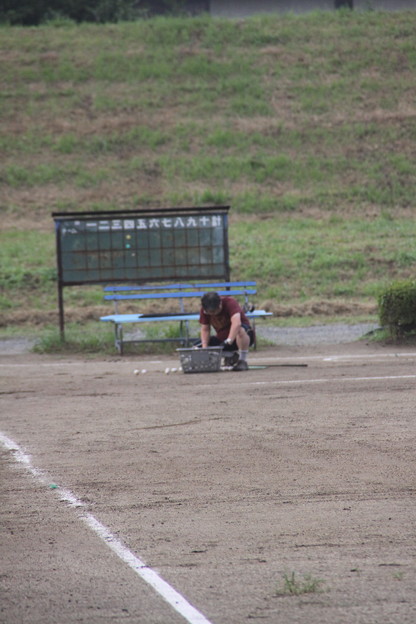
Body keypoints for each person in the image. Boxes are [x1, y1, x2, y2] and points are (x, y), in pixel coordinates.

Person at [199, 291, 255, 372]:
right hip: (222, 339)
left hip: (241, 337)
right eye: (210, 312)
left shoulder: (230, 303)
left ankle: (242, 361)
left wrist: (229, 340)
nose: (213, 314)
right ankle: (231, 355)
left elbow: (237, 324)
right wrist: (204, 347)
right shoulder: (204, 311)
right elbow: (205, 329)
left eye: (215, 311)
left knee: (240, 330)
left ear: (220, 304)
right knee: (197, 346)